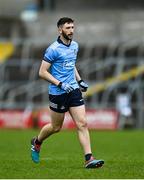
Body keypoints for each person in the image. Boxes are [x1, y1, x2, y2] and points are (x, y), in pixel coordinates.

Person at [31, 17, 104, 168]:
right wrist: (60, 84)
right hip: (58, 93)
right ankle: (37, 142)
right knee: (56, 127)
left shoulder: (75, 46)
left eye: (72, 27)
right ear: (60, 30)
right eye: (68, 28)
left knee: (82, 123)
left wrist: (79, 80)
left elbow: (71, 65)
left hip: (73, 90)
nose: (71, 31)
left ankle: (89, 158)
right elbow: (42, 72)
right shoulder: (53, 49)